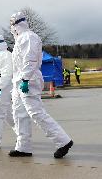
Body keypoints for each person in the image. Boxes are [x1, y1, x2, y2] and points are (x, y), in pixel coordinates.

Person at [9, 12, 73, 158]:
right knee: (19, 114)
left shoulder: (29, 37)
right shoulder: (20, 39)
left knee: (36, 112)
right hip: (19, 81)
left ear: (17, 25)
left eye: (12, 25)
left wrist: (25, 79)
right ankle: (23, 147)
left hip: (28, 80)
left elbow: (30, 60)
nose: (12, 28)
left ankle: (63, 141)